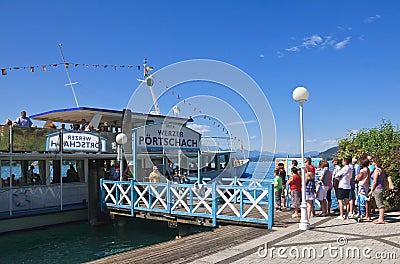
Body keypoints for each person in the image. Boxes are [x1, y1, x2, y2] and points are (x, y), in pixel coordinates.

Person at [368, 157, 385, 224]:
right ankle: (380, 217)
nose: (372, 163)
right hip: (381, 187)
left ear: (375, 163)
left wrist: (371, 190)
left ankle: (381, 219)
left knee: (379, 204)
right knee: (379, 203)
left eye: (372, 162)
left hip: (377, 188)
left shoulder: (376, 171)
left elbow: (374, 181)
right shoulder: (381, 170)